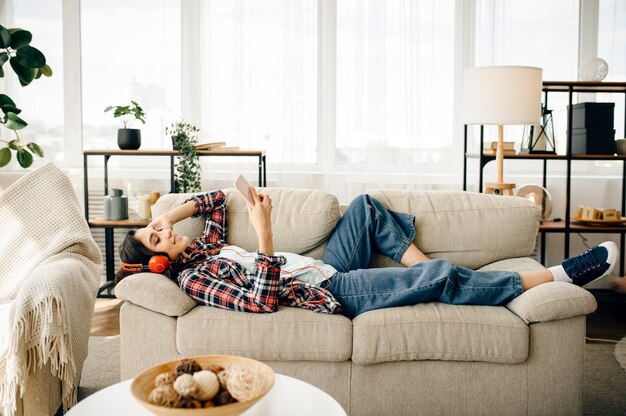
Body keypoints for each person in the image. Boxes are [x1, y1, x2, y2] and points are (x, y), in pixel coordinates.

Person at [116, 189, 618, 319]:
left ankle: (420, 264)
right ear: (159, 264)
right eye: (157, 240)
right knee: (442, 278)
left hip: (329, 264)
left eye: (159, 229)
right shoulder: (194, 279)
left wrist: (170, 217)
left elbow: (215, 202)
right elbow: (261, 303)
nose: (165, 233)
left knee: (365, 208)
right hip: (330, 289)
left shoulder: (202, 244)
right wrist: (264, 236)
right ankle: (555, 277)